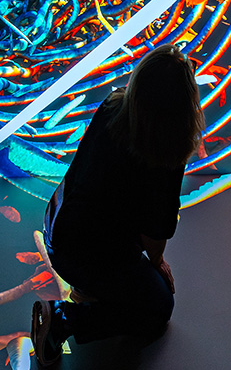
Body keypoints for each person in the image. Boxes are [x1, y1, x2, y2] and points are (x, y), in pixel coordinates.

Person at [31, 44, 204, 367]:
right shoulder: (167, 149)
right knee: (158, 307)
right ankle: (63, 319)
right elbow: (156, 233)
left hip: (58, 229)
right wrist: (157, 262)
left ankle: (90, 286)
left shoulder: (113, 106)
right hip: (83, 255)